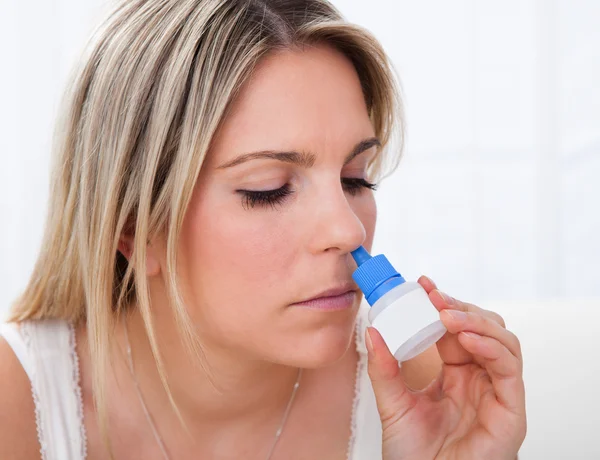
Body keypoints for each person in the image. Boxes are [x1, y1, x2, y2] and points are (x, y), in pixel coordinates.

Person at [0, 0, 526, 458]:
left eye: (355, 179)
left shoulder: (422, 388)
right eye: (269, 188)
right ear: (134, 229)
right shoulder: (19, 400)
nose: (348, 230)